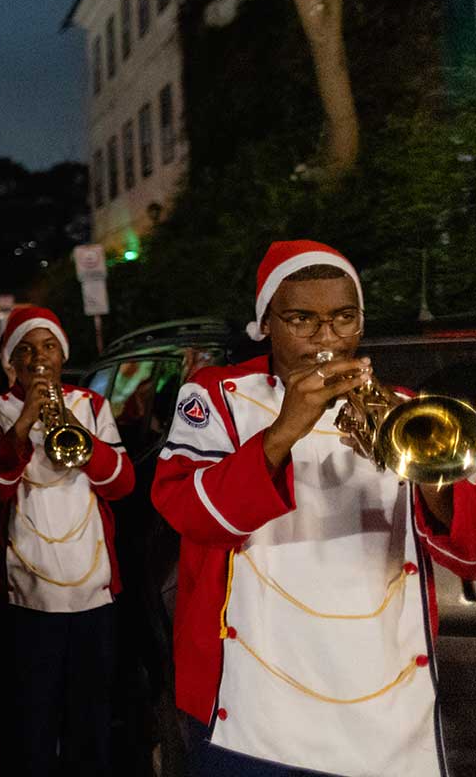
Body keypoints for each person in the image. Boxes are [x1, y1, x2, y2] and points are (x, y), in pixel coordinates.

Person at [152, 241, 476, 777]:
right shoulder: (215, 396)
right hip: (256, 713)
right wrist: (285, 429)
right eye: (302, 319)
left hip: (387, 714)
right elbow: (186, 511)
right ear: (266, 324)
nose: (327, 338)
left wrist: (428, 475)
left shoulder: (404, 406)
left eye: (343, 318)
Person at [0, 306, 134, 777]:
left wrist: (80, 435)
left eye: (48, 346)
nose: (38, 358)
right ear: (9, 362)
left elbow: (122, 484)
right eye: (25, 349)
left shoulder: (93, 406)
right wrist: (23, 425)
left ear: (63, 355)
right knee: (30, 716)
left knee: (92, 715)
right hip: (26, 594)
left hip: (93, 591)